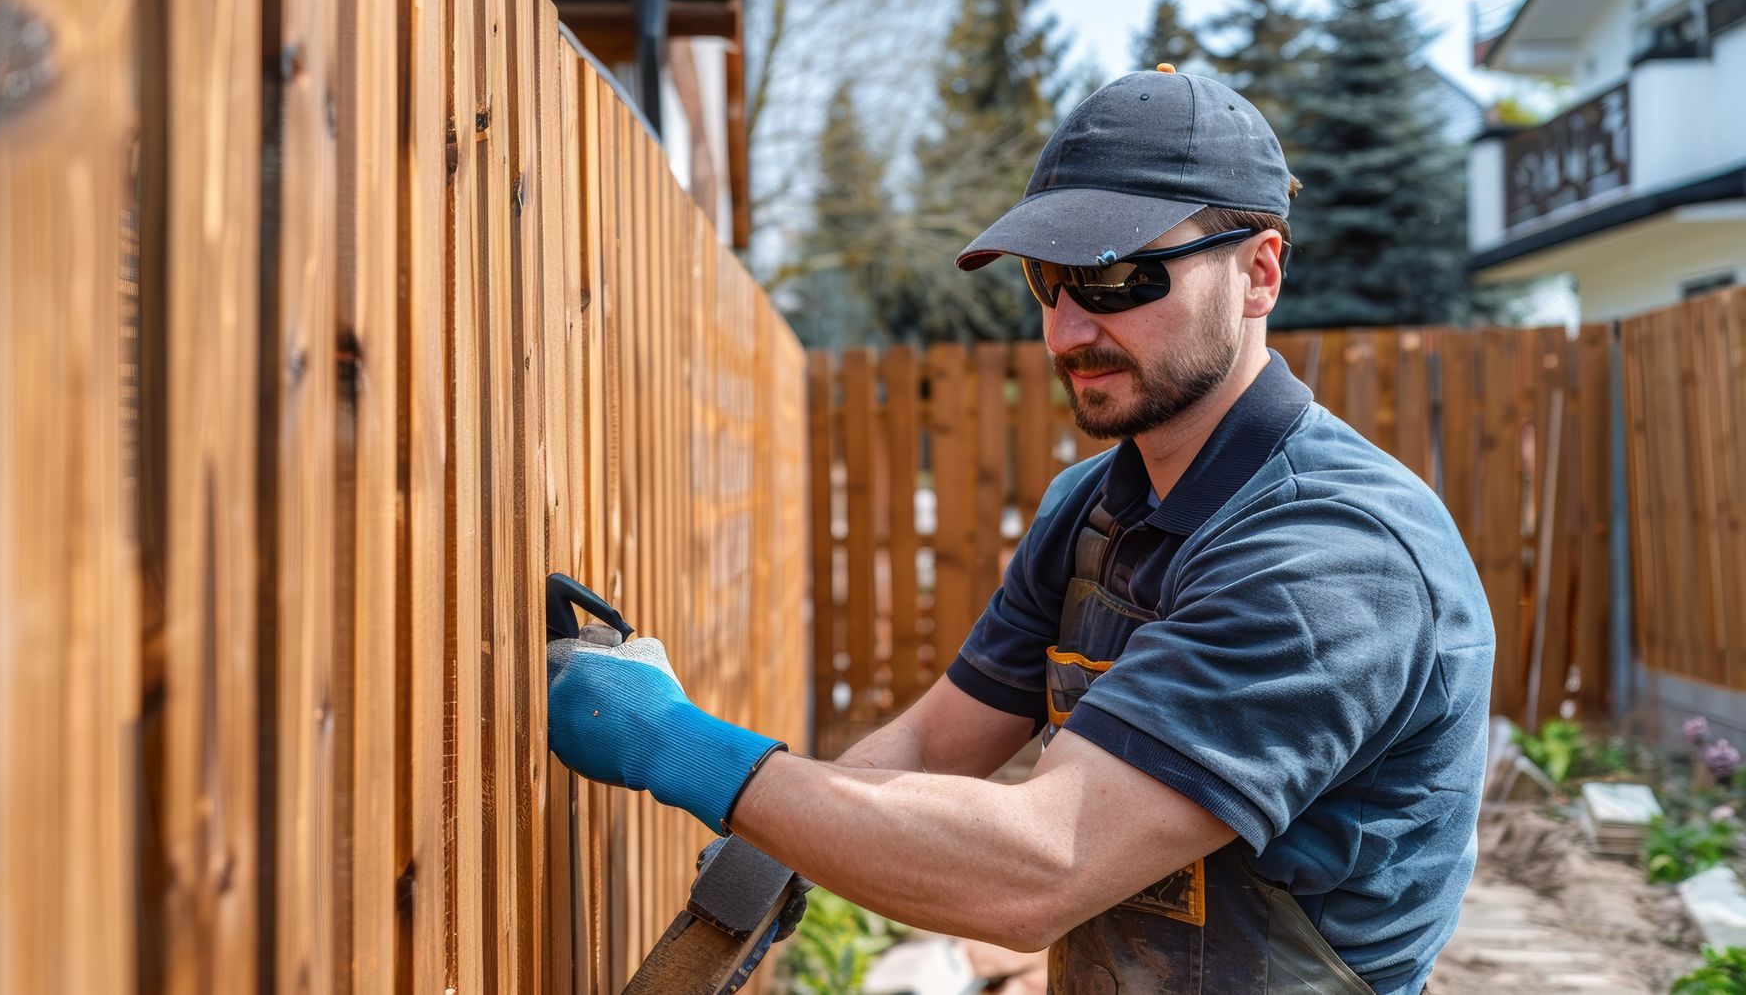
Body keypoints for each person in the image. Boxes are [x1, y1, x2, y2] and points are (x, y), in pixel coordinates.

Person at [546, 66, 1494, 994]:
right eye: (1049, 280)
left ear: (1259, 272)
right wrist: (780, 837)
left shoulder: (1334, 559)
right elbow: (927, 747)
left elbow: (1039, 869)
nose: (1068, 330)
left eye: (1121, 276)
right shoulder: (1092, 509)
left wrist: (672, 743)